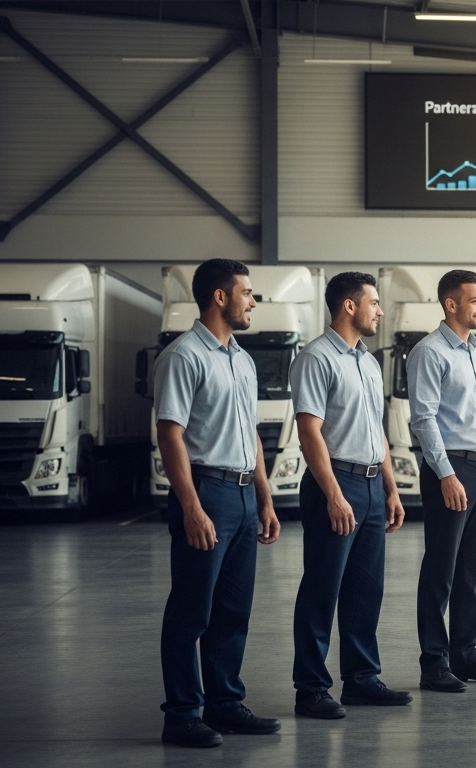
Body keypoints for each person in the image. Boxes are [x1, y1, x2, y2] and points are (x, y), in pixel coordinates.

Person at [155, 259, 283, 749]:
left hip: (244, 496)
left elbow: (249, 432)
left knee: (233, 610)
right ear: (220, 297)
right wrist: (190, 506)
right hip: (206, 491)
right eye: (247, 293)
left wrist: (265, 497)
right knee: (192, 610)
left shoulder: (242, 359)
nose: (253, 301)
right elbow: (171, 433)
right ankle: (183, 714)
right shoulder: (183, 356)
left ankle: (224, 703)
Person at [290, 272, 412, 720]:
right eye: (374, 303)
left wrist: (390, 486)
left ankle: (361, 679)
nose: (379, 310)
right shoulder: (316, 358)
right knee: (323, 587)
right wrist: (334, 495)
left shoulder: (368, 361)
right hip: (334, 484)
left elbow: (374, 428)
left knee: (366, 589)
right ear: (348, 306)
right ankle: (311, 688)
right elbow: (309, 431)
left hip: (370, 485)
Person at [408, 269, 476, 693]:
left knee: (473, 569)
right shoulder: (429, 352)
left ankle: (465, 654)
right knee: (441, 568)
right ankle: (434, 662)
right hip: (451, 468)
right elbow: (423, 418)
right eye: (475, 300)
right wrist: (446, 474)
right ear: (451, 304)